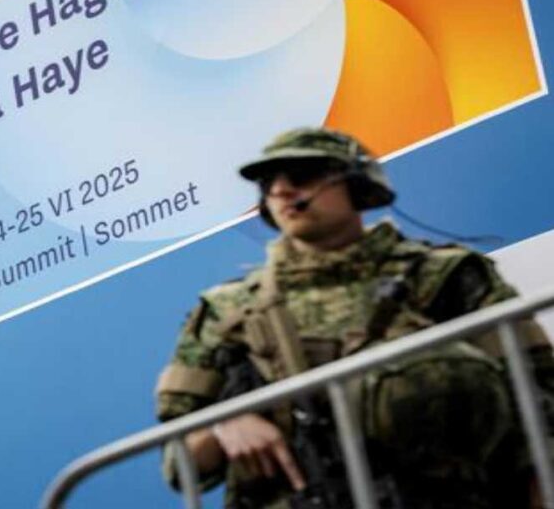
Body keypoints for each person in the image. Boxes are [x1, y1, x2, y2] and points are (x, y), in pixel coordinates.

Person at [155, 127, 554, 508]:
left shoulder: (443, 276)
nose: (281, 190)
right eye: (268, 183)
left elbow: (538, 391)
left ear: (356, 184)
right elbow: (179, 465)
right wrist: (224, 425)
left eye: (302, 175)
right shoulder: (229, 310)